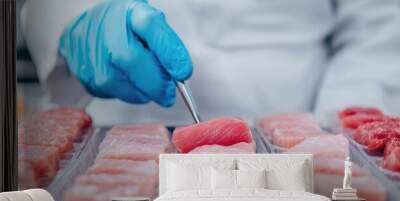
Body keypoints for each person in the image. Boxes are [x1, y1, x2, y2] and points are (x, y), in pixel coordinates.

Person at [20, 0, 400, 125]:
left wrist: (338, 144)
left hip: (295, 121)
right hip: (120, 143)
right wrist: (78, 24)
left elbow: (380, 26)